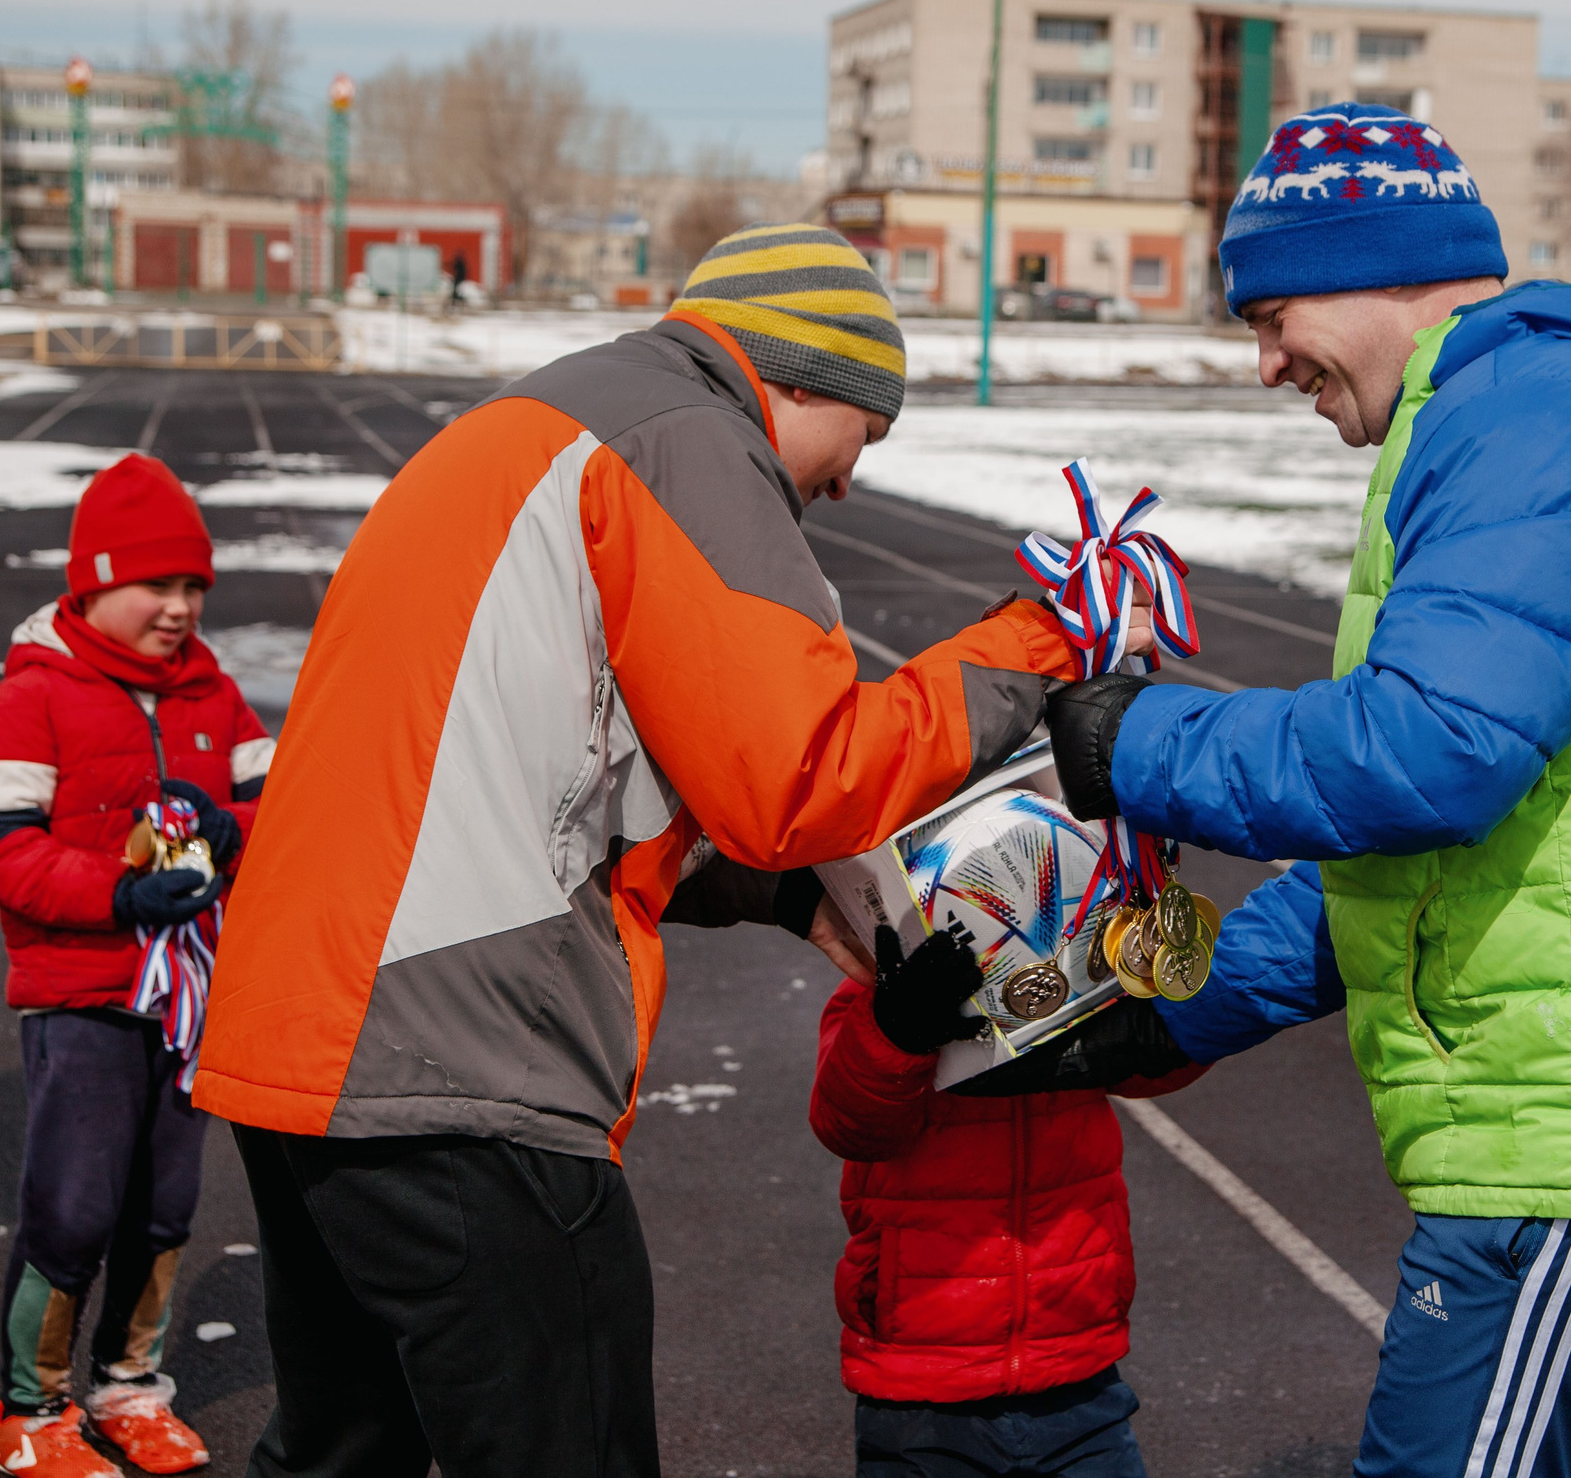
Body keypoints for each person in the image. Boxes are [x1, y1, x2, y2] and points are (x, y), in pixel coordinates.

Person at [191, 223, 1115, 1478]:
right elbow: (800, 777)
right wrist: (1037, 646)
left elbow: (543, 781)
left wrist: (786, 902)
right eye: (865, 434)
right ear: (799, 378)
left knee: (345, 1456)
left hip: (303, 1037)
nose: (848, 482)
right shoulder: (686, 439)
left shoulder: (538, 419)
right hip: (460, 1058)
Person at [1041, 103, 1571, 1478]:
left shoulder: (1536, 412)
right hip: (1546, 1115)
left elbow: (1432, 752)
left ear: (1374, 271)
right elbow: (1416, 861)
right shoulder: (1495, 413)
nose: (1267, 363)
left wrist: (1140, 742)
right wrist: (1169, 1015)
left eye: (1273, 315)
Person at [0, 453, 275, 1478]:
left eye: (193, 586)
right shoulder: (35, 694)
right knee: (75, 1207)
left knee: (164, 1207)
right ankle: (27, 1407)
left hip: (185, 1004)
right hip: (83, 996)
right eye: (156, 585)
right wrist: (115, 893)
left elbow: (279, 804)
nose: (180, 608)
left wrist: (231, 830)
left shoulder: (212, 692)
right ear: (91, 584)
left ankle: (129, 1384)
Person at [811, 927, 1202, 1478]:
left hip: (1076, 1368)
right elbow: (848, 1124)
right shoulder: (877, 987)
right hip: (923, 1383)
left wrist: (1175, 989)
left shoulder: (1070, 969)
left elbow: (1162, 1064)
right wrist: (898, 1028)